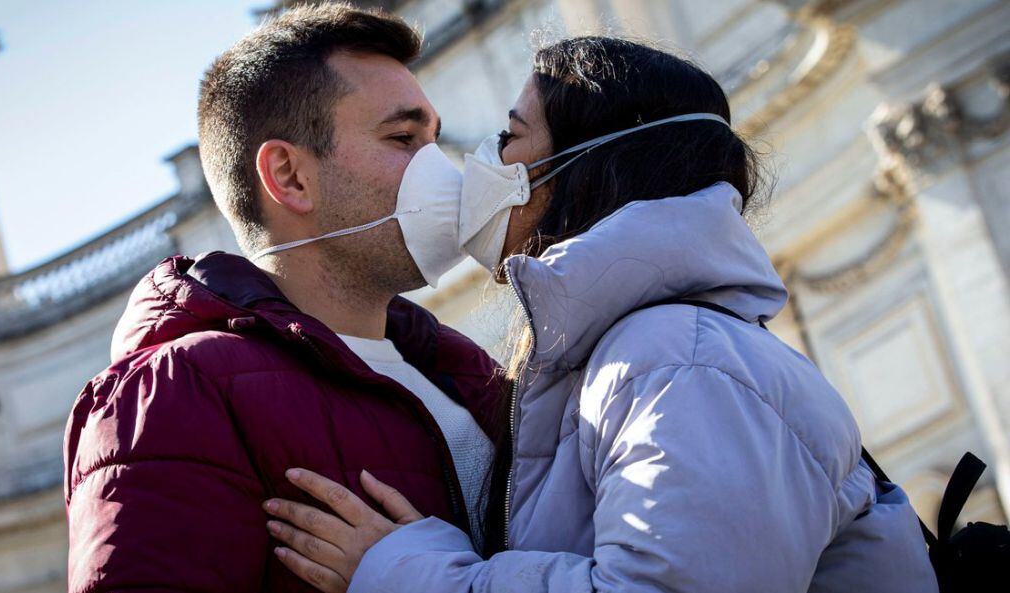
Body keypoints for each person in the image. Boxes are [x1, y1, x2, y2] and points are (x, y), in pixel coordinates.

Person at [261, 36, 940, 593]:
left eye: (509, 136)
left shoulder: (681, 359)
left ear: (581, 168)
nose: (478, 165)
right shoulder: (644, 353)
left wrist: (404, 573)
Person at [62, 5, 504, 592]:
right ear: (290, 177)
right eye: (403, 138)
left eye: (433, 139)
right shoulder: (171, 396)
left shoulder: (471, 372)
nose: (443, 170)